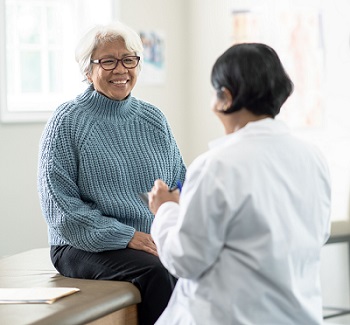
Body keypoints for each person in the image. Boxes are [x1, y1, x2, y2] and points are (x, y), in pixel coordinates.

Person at [148, 43, 331, 325]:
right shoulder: (313, 156)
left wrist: (166, 210)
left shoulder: (216, 165)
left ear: (225, 97)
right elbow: (318, 234)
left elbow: (185, 260)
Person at [37, 21, 186, 325]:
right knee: (156, 272)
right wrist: (126, 236)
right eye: (108, 61)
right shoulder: (67, 122)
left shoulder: (153, 119)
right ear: (87, 70)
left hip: (148, 239)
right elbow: (61, 210)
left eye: (129, 59)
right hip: (79, 243)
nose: (121, 69)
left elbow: (178, 182)